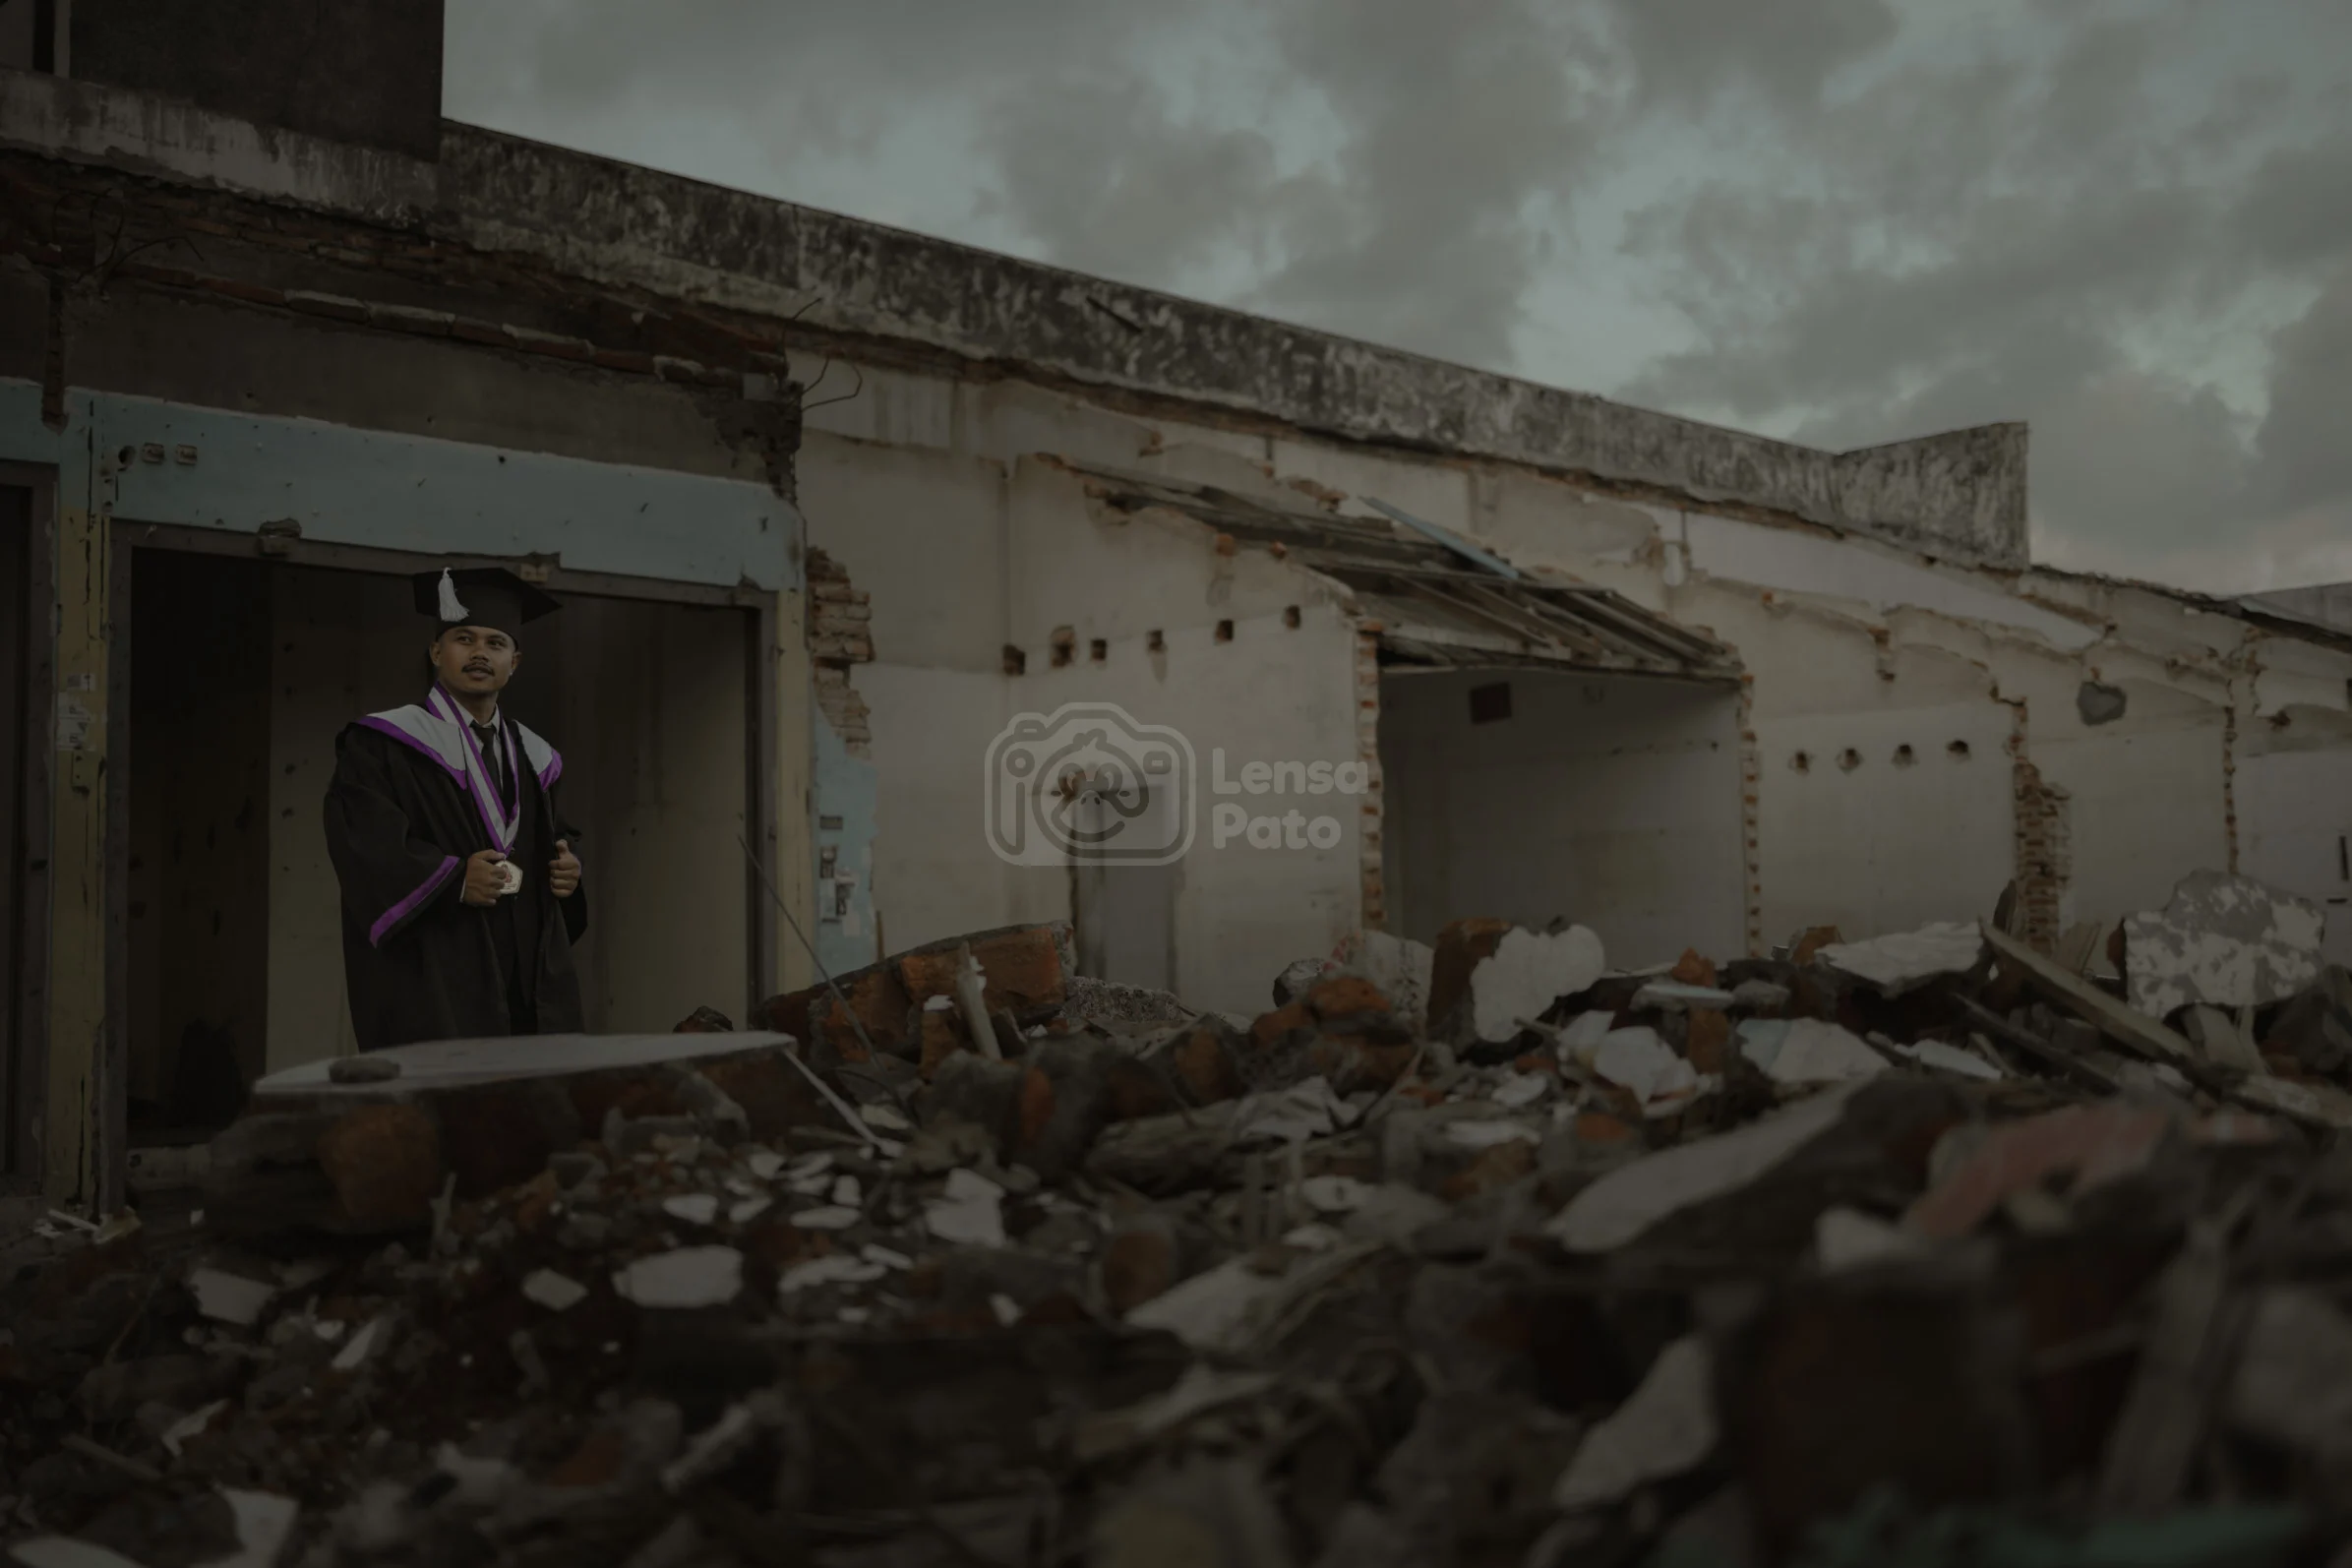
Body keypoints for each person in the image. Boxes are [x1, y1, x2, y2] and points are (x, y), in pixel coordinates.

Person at [323, 566, 588, 1051]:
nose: (480, 653)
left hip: (526, 980)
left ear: (515, 662)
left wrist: (569, 872)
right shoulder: (383, 744)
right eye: (464, 639)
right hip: (438, 972)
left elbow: (559, 839)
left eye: (496, 643)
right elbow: (365, 842)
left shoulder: (536, 757)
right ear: (436, 652)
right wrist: (454, 880)